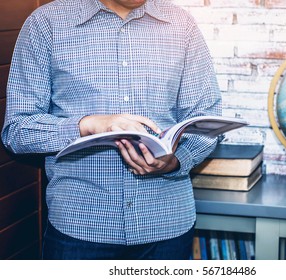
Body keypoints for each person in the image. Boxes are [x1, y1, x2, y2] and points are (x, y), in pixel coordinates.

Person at [1, 0, 221, 260]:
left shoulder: (182, 24)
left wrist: (175, 161)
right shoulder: (46, 23)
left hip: (167, 227)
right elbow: (17, 130)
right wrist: (89, 125)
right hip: (79, 232)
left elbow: (205, 119)